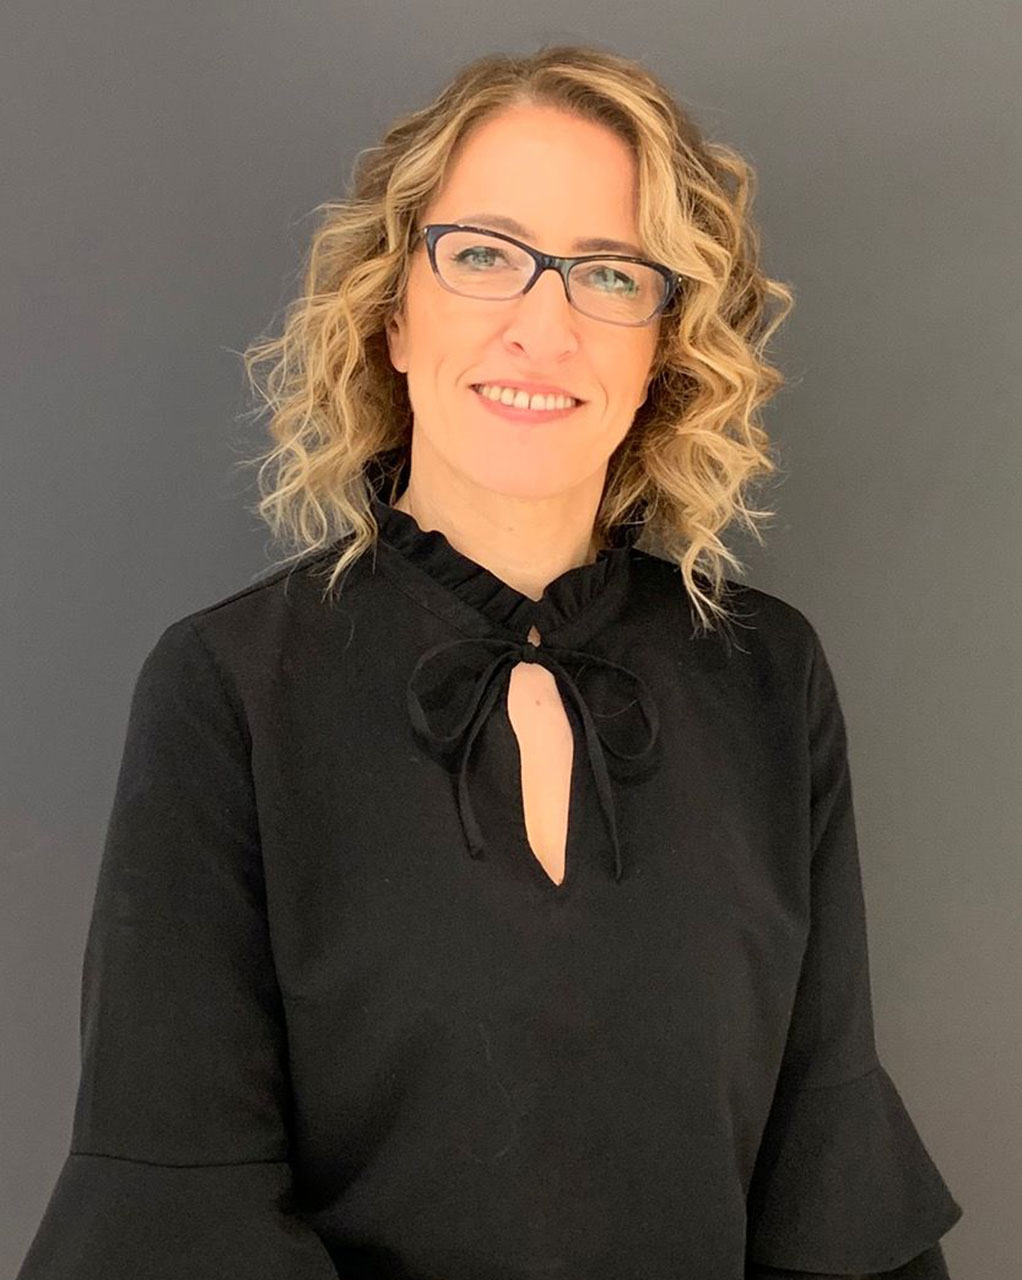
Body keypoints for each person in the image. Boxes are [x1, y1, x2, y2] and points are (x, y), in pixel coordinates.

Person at [16, 44, 962, 1280]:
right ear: (392, 310)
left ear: (663, 349)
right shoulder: (227, 687)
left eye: (609, 273)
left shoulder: (766, 677)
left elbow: (825, 1178)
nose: (542, 326)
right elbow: (182, 1207)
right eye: (482, 255)